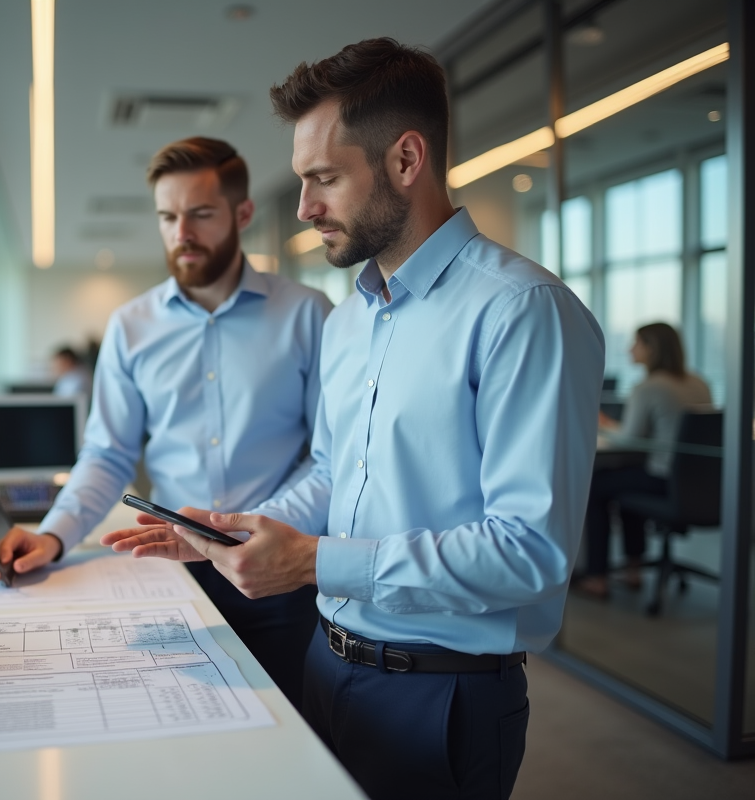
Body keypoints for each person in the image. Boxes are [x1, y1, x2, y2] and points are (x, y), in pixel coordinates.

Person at [104, 40, 603, 800]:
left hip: (441, 694)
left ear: (406, 160)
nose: (303, 209)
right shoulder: (349, 321)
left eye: (324, 179)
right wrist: (243, 529)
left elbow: (529, 551)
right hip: (325, 660)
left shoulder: (520, 312)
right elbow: (337, 474)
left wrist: (311, 564)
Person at [0, 137, 333, 709]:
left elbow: (328, 456)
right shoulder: (131, 326)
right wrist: (53, 533)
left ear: (242, 213)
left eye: (201, 214)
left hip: (278, 576)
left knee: (290, 735)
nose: (181, 233)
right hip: (173, 573)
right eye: (167, 217)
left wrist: (262, 527)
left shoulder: (308, 315)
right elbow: (108, 454)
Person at [577, 323, 713, 599]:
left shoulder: (649, 387)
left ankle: (597, 577)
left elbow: (628, 439)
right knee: (626, 482)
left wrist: (604, 423)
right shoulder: (699, 382)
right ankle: (633, 568)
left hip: (662, 479)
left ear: (652, 348)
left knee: (596, 487)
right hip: (699, 485)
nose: (630, 348)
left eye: (636, 342)